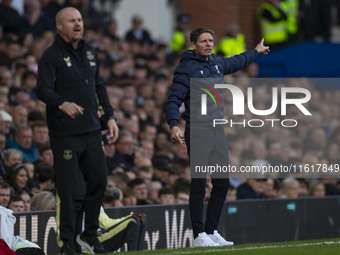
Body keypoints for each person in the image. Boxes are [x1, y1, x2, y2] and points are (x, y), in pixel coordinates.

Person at [165, 27, 269, 247]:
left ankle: (211, 230)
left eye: (211, 40)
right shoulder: (186, 68)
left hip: (216, 130)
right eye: (203, 41)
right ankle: (198, 235)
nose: (209, 44)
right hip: (198, 130)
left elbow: (236, 61)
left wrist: (256, 51)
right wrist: (174, 124)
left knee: (222, 182)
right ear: (193, 45)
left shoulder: (216, 63)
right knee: (199, 183)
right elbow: (174, 99)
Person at [36, 7, 119, 255]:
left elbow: (99, 86)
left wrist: (110, 117)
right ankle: (68, 244)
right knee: (70, 190)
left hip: (92, 131)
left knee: (99, 182)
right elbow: (41, 89)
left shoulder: (90, 51)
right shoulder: (50, 56)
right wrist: (62, 102)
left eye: (80, 20)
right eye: (71, 21)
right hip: (66, 134)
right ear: (59, 26)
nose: (77, 24)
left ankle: (90, 235)